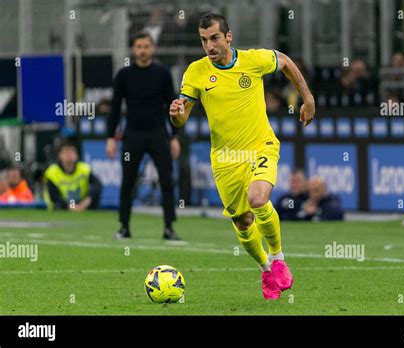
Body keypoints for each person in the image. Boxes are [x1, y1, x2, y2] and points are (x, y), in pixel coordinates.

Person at [169, 13, 316, 299]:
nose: (209, 46)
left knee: (258, 199)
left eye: (214, 38)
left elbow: (284, 61)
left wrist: (307, 96)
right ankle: (265, 270)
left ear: (228, 37)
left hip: (260, 146)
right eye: (203, 40)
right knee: (243, 221)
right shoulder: (196, 72)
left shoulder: (253, 60)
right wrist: (175, 114)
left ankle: (278, 258)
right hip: (225, 159)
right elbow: (182, 119)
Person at [107, 31, 181, 240]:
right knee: (128, 182)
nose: (142, 50)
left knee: (167, 181)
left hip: (159, 134)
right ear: (133, 49)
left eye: (146, 46)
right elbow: (114, 108)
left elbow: (172, 105)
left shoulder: (163, 74)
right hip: (132, 135)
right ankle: (124, 227)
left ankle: (169, 227)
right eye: (139, 46)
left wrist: (174, 137)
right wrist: (111, 137)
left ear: (153, 48)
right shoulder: (123, 75)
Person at [44, 142, 102, 211]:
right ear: (59, 155)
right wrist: (72, 206)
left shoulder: (84, 169)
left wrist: (84, 204)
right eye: (66, 152)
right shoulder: (52, 172)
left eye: (72, 151)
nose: (69, 155)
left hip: (82, 205)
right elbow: (54, 196)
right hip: (62, 208)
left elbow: (98, 186)